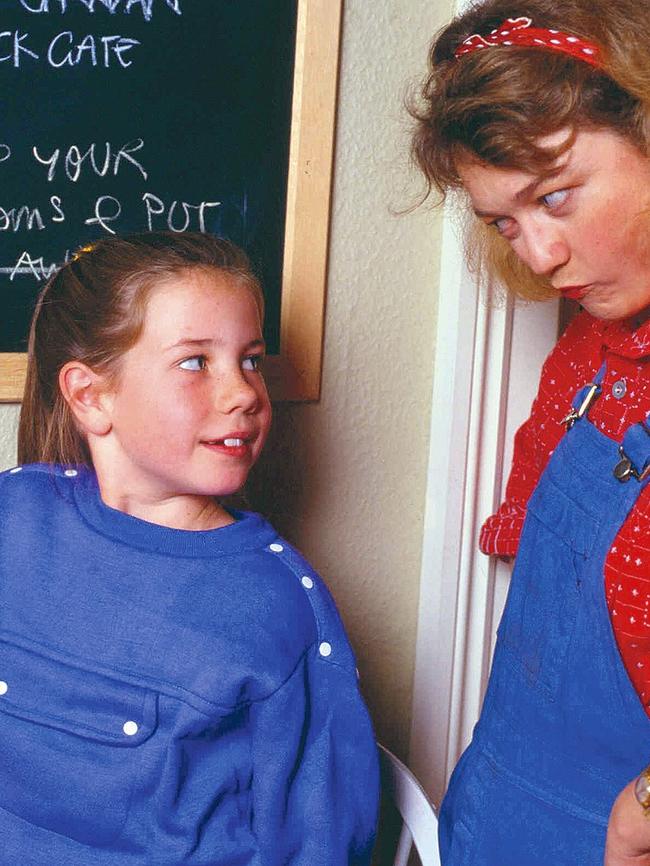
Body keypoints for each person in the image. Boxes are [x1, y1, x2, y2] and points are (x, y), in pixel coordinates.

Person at [2, 231, 379, 865]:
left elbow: (315, 841)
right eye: (197, 362)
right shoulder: (14, 517)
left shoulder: (277, 603)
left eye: (251, 359)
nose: (244, 393)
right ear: (91, 397)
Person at [410, 1, 650, 863]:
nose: (540, 255)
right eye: (506, 221)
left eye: (555, 197)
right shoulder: (587, 351)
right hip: (501, 808)